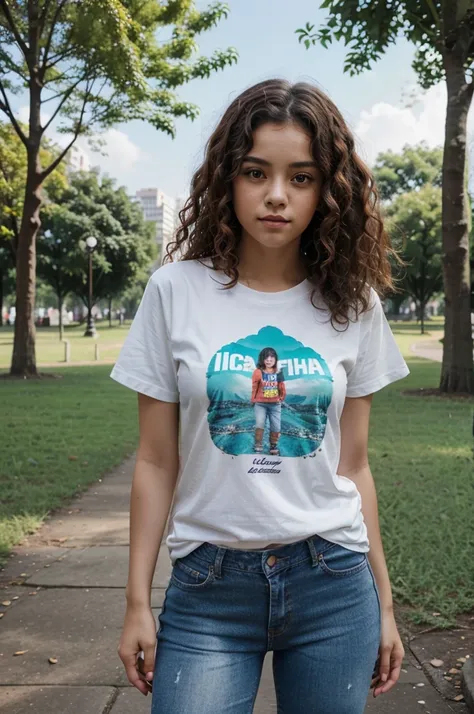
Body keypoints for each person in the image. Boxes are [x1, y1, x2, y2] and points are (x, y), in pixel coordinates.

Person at [111, 78, 410, 714]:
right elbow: (157, 461)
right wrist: (138, 601)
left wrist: (385, 605)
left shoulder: (353, 305)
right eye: (256, 172)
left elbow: (353, 467)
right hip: (208, 587)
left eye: (301, 177)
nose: (276, 195)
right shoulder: (174, 291)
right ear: (228, 178)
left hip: (333, 580)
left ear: (327, 191)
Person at [251, 347, 286, 455]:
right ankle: (258, 444)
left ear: (275, 359)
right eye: (266, 357)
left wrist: (282, 397)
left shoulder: (278, 372)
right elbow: (254, 386)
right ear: (262, 359)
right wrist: (253, 399)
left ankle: (273, 445)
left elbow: (281, 386)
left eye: (272, 357)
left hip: (275, 405)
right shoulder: (257, 372)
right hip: (260, 404)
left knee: (276, 426)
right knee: (260, 423)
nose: (269, 360)